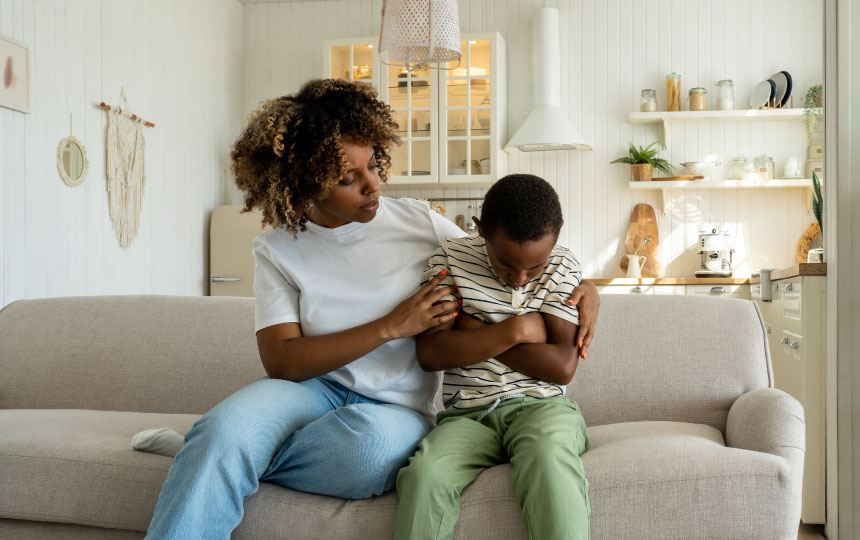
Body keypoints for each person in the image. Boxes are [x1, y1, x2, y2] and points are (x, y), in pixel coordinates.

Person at [143, 79, 600, 539]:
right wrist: (390, 326)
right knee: (224, 429)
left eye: (373, 165)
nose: (373, 185)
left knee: (367, 457)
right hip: (308, 390)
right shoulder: (277, 249)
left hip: (393, 407)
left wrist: (586, 286)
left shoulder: (419, 224)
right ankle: (215, 455)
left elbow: (501, 262)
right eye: (348, 178)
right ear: (303, 184)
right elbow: (282, 360)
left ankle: (214, 461)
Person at [394, 174, 590, 540]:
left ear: (558, 235)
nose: (519, 279)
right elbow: (431, 352)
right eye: (505, 263)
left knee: (549, 458)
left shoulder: (563, 265)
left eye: (534, 268)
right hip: (467, 416)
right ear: (480, 229)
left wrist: (471, 330)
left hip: (542, 409)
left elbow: (561, 367)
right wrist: (514, 331)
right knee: (426, 474)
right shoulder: (449, 260)